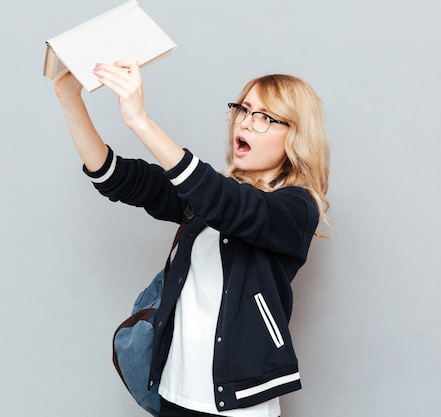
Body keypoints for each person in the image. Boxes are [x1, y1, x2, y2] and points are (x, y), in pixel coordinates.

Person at [54, 60, 330, 417]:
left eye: (265, 116)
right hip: (174, 394)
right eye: (243, 108)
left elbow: (229, 204)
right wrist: (68, 98)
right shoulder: (206, 199)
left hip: (237, 406)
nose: (245, 121)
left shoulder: (295, 209)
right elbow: (118, 177)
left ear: (295, 135)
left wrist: (140, 121)